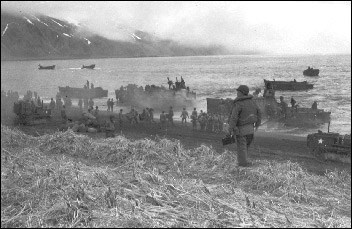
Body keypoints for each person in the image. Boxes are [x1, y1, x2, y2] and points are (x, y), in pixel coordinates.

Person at [228, 85, 261, 167]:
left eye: (238, 91)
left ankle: (242, 164)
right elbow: (259, 113)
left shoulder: (239, 103)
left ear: (242, 93)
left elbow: (234, 117)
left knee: (241, 147)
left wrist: (230, 128)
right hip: (251, 129)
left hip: (241, 130)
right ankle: (244, 162)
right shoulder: (253, 102)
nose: (237, 93)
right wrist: (257, 124)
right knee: (246, 147)